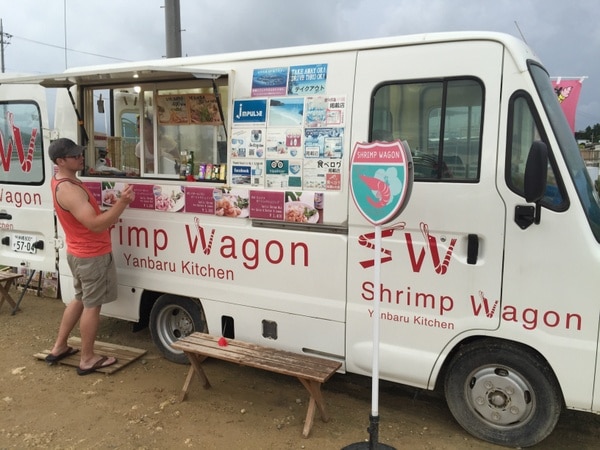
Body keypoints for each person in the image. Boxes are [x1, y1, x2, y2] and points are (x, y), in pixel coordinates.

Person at [45, 138, 135, 375]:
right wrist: (122, 204)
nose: (81, 157)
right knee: (92, 306)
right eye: (75, 156)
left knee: (80, 298)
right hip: (91, 255)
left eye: (80, 153)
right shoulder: (69, 189)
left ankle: (59, 347)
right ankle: (87, 358)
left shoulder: (62, 182)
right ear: (60, 161)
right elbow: (95, 225)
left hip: (77, 252)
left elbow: (86, 218)